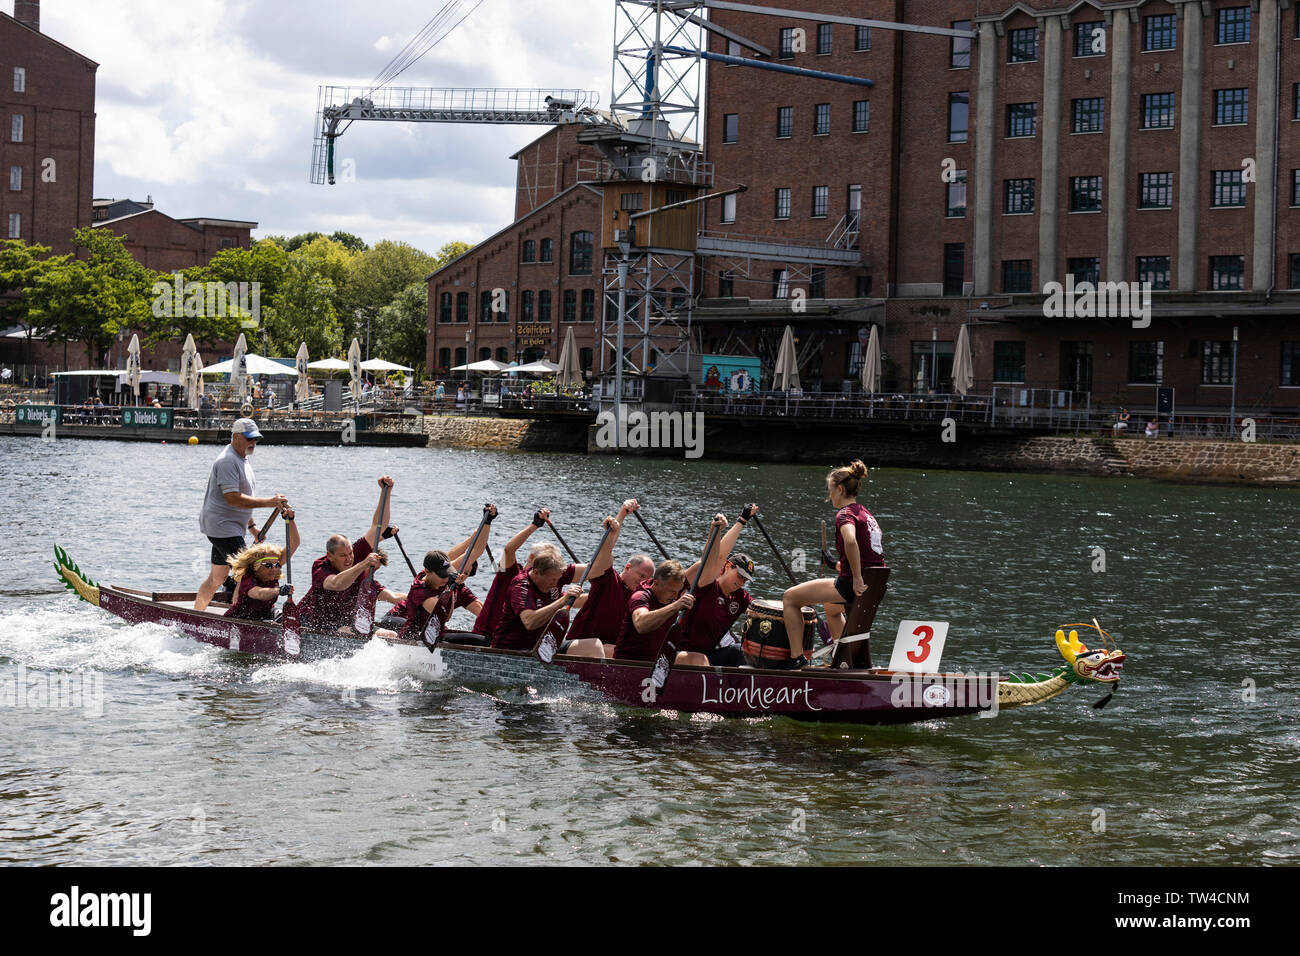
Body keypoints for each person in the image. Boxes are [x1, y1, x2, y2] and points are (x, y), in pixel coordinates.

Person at [778, 460, 884, 669]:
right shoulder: (865, 512)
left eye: (830, 490)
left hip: (856, 585)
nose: (829, 496)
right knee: (831, 608)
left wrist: (856, 578)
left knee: (790, 598)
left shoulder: (845, 514)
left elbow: (851, 541)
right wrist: (835, 563)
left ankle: (797, 660)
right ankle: (842, 658)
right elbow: (868, 555)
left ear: (840, 489)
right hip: (876, 584)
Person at [195, 418, 288, 611]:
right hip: (223, 526)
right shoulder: (227, 461)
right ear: (236, 437)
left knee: (217, 577)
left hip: (228, 526)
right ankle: (238, 616)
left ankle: (197, 613)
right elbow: (233, 499)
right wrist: (270, 502)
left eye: (256, 439)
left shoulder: (242, 459)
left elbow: (244, 497)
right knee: (247, 573)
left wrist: (252, 526)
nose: (253, 443)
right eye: (249, 439)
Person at [295, 476, 397, 634]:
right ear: (330, 556)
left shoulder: (356, 552)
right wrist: (363, 564)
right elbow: (337, 584)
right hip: (311, 622)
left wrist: (386, 492)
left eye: (350, 553)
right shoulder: (320, 566)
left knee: (390, 635)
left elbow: (378, 527)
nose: (349, 558)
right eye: (343, 556)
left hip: (344, 624)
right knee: (346, 630)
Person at [673, 506, 759, 668]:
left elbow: (762, 610)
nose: (741, 582)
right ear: (727, 566)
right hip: (680, 654)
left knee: (739, 651)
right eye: (739, 576)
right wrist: (741, 521)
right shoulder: (706, 585)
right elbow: (715, 557)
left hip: (707, 655)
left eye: (745, 580)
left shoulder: (740, 597)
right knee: (700, 660)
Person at [565, 500, 653, 654]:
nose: (642, 581)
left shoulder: (639, 596)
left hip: (608, 651)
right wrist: (621, 514)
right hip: (580, 645)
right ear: (627, 567)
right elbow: (605, 552)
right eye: (641, 575)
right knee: (611, 650)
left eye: (646, 578)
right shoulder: (608, 579)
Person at [490, 540, 599, 657]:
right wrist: (563, 601)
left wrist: (601, 597)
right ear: (536, 573)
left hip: (539, 647)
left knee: (594, 646)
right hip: (510, 650)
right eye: (552, 580)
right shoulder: (521, 586)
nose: (555, 584)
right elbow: (529, 622)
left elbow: (576, 600)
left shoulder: (549, 585)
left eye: (557, 579)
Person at [472, 508, 549, 638]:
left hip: (509, 642)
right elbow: (509, 550)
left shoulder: (546, 585)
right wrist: (535, 525)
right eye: (544, 563)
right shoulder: (509, 572)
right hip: (485, 636)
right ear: (531, 558)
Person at [224, 507, 300, 620]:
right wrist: (279, 591)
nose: (274, 569)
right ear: (256, 566)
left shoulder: (273, 571)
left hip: (263, 615)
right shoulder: (248, 579)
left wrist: (291, 520)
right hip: (240, 619)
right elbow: (259, 593)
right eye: (268, 565)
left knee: (284, 615)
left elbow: (294, 543)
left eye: (277, 565)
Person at [613, 559, 695, 662]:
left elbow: (704, 564)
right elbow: (640, 624)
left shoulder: (671, 595)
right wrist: (674, 606)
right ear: (656, 583)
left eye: (678, 592)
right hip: (629, 664)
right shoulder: (640, 597)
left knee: (697, 658)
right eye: (671, 591)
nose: (675, 596)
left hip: (655, 665)